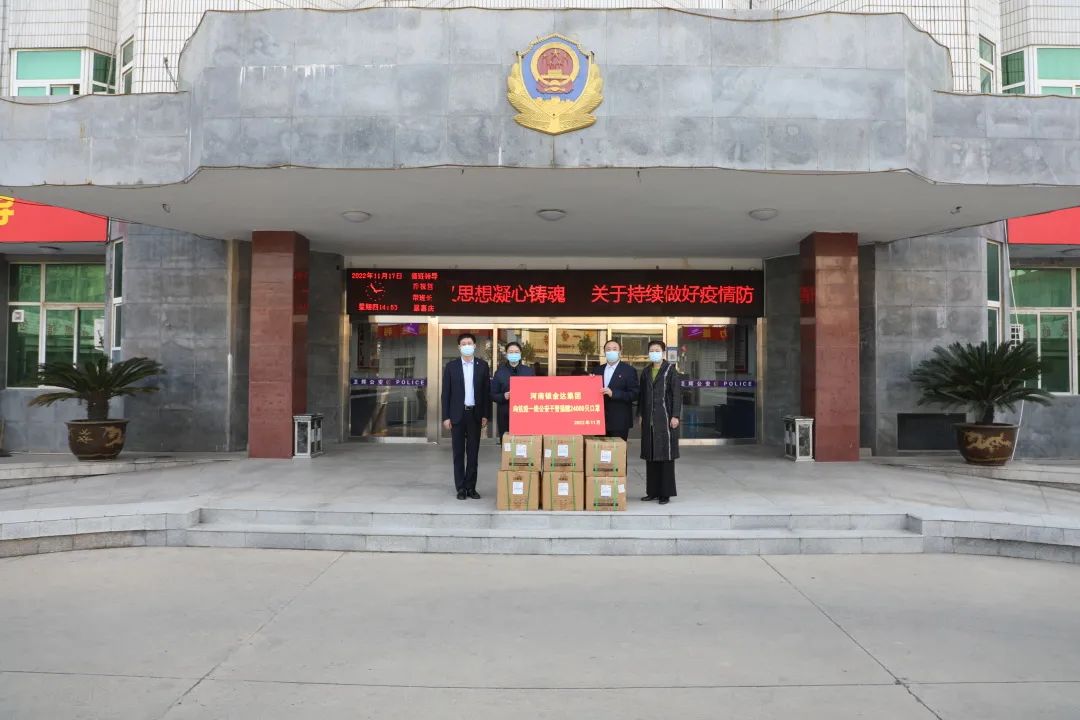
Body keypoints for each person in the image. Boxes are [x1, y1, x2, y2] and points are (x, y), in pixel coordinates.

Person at [442, 333, 491, 500]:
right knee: (458, 453)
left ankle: (471, 487)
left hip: (475, 414)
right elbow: (446, 393)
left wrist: (485, 414)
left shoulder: (482, 366)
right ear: (459, 347)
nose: (467, 346)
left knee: (473, 453)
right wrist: (446, 416)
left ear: (475, 346)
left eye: (469, 343)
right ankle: (461, 488)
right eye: (464, 343)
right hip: (457, 414)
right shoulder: (451, 366)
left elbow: (486, 392)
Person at [638, 339, 681, 505]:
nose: (654, 353)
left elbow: (676, 394)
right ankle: (652, 491)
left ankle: (665, 493)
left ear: (663, 353)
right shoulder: (646, 371)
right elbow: (642, 395)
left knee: (665, 456)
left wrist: (675, 415)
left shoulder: (670, 370)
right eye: (651, 350)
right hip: (649, 419)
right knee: (651, 456)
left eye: (657, 350)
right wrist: (641, 414)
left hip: (665, 418)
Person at [591, 339, 639, 441]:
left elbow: (634, 394)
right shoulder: (597, 370)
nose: (611, 351)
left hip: (619, 420)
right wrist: (589, 383)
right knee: (599, 449)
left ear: (620, 352)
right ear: (604, 352)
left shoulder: (629, 371)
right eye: (608, 349)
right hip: (600, 420)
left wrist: (614, 394)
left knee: (617, 450)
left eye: (614, 349)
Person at [490, 341, 535, 438]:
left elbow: (535, 392)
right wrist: (504, 396)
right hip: (505, 414)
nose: (514, 354)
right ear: (506, 354)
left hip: (524, 414)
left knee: (524, 442)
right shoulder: (499, 372)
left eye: (516, 352)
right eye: (511, 352)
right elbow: (493, 395)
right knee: (506, 443)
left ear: (520, 353)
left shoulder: (529, 372)